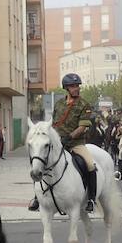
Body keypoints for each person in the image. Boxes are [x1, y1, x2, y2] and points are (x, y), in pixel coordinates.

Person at [30, 72, 98, 214]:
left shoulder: (84, 104)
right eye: (73, 86)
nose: (76, 88)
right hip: (58, 142)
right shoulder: (59, 104)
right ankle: (37, 197)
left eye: (77, 86)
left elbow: (83, 126)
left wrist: (70, 136)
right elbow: (53, 124)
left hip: (76, 143)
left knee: (90, 165)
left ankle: (91, 199)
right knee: (39, 163)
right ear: (66, 88)